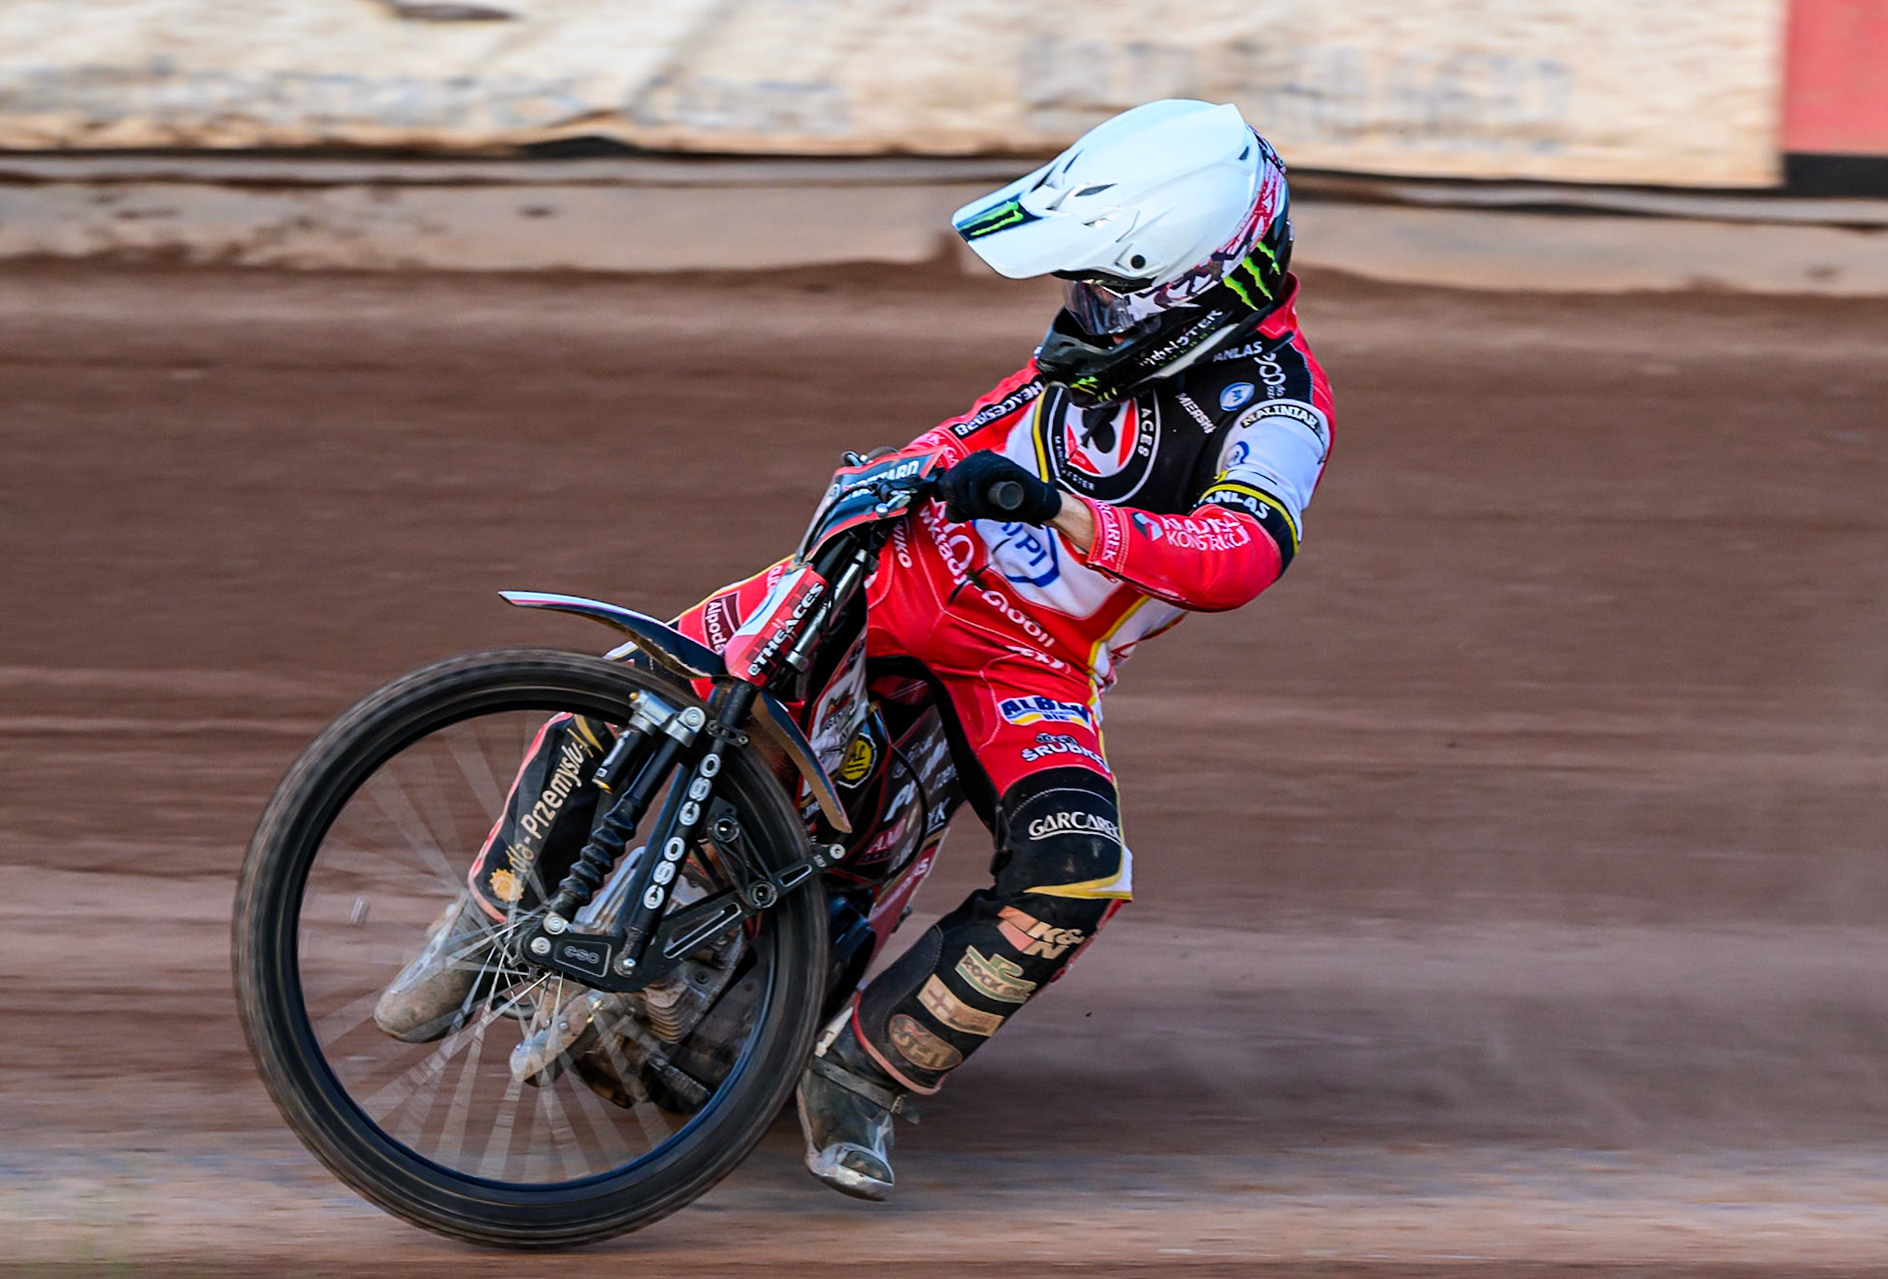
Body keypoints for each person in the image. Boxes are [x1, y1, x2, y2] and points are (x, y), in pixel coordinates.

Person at [374, 98, 1334, 1201]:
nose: (1082, 312)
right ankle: (484, 924)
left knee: (1078, 870)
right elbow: (984, 428)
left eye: (1104, 292)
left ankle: (864, 1079)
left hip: (1028, 661)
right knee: (655, 678)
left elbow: (1241, 555)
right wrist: (892, 470)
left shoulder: (1280, 407)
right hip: (900, 571)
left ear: (1186, 291)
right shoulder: (1106, 344)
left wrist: (1066, 518)